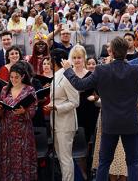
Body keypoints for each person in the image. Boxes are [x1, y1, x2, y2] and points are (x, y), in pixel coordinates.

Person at [62, 36, 138, 181]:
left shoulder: (101, 70)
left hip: (110, 124)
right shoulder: (136, 70)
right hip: (130, 124)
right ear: (127, 52)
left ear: (111, 52)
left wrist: (68, 70)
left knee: (104, 163)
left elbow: (80, 85)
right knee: (132, 163)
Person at [0, 63, 38, 180]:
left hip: (23, 131)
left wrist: (24, 111)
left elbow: (33, 111)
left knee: (23, 158)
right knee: (8, 158)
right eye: (11, 77)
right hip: (7, 130)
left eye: (17, 77)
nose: (13, 79)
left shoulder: (30, 90)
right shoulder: (5, 89)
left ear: (23, 76)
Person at [47, 49, 80, 181]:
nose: (48, 62)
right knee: (61, 158)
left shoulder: (66, 75)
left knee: (65, 159)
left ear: (55, 60)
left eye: (50, 59)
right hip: (55, 122)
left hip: (65, 124)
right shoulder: (56, 75)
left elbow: (75, 101)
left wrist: (57, 107)